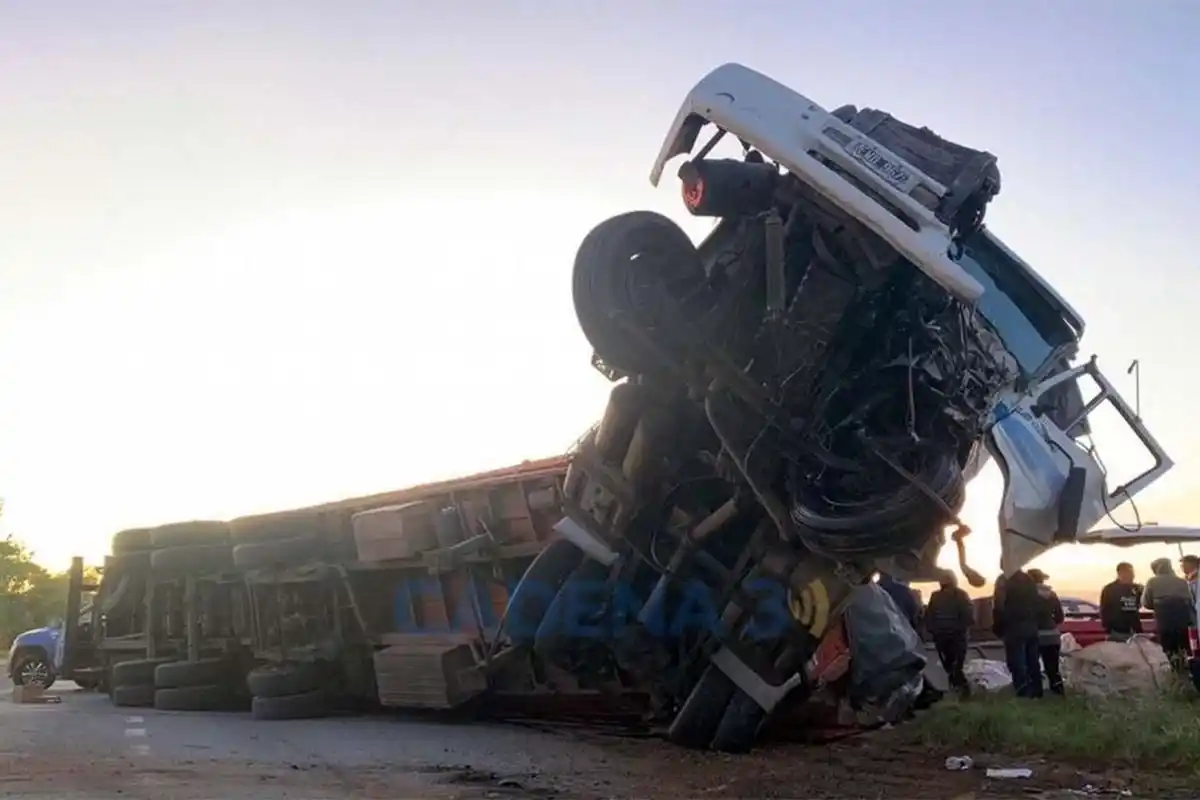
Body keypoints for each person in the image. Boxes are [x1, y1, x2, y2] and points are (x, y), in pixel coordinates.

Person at [925, 570, 975, 698]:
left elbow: (968, 617)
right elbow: (930, 615)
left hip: (952, 638)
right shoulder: (941, 596)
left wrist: (935, 630)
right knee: (952, 667)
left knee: (954, 667)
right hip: (948, 638)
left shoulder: (958, 595)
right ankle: (959, 692)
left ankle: (962, 692)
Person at [997, 569, 1042, 698]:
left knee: (1017, 663)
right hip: (1031, 627)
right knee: (1032, 662)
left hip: (1014, 628)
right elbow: (1036, 603)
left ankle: (1023, 693)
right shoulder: (1029, 580)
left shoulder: (1004, 580)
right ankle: (1037, 692)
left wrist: (998, 628)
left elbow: (999, 606)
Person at [1141, 557, 1192, 668]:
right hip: (1182, 621)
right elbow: (1190, 601)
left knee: (1167, 648)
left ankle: (1172, 669)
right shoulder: (1182, 582)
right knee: (1182, 647)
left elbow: (1145, 602)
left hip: (1164, 619)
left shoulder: (1152, 582)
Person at [1028, 569, 1065, 695]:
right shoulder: (1052, 594)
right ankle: (1058, 692)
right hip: (1053, 635)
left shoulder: (1028, 595)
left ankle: (1036, 693)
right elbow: (1060, 617)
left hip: (1035, 635)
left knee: (1033, 666)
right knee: (1053, 668)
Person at [1100, 562, 1143, 641]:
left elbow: (1143, 603)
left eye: (1132, 573)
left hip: (1134, 630)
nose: (1132, 576)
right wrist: (1108, 628)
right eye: (1129, 573)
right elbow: (1104, 609)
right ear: (1120, 573)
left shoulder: (1137, 588)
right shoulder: (1109, 589)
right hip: (1116, 631)